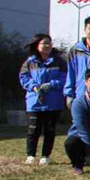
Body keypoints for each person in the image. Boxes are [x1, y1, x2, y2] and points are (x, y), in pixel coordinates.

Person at [20, 33, 67, 165]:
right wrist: (34, 87)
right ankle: (30, 155)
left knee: (49, 130)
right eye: (44, 43)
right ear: (37, 45)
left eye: (49, 43)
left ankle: (45, 156)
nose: (47, 46)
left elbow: (64, 78)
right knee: (33, 130)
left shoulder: (60, 62)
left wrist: (51, 85)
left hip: (53, 102)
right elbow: (24, 77)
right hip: (34, 102)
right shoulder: (30, 62)